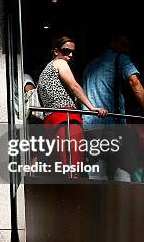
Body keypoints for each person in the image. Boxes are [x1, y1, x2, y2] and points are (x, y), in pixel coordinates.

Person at [82, 34, 144, 182]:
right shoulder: (120, 59)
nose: (126, 50)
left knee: (97, 173)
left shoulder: (89, 66)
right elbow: (135, 82)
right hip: (111, 126)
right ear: (112, 43)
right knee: (122, 172)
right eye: (123, 44)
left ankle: (97, 204)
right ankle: (122, 205)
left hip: (90, 127)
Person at [37, 36, 107, 176]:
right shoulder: (60, 64)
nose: (70, 55)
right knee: (73, 166)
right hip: (66, 119)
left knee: (61, 167)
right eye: (66, 51)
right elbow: (74, 86)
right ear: (56, 51)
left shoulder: (44, 71)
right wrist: (92, 108)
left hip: (51, 122)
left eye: (72, 52)